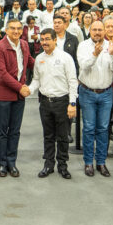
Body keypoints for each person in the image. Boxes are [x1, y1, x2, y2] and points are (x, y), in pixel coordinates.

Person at [28, 28, 78, 179]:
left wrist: (72, 103)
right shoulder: (39, 58)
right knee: (48, 136)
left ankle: (62, 165)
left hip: (62, 102)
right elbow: (36, 79)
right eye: (42, 39)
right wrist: (28, 89)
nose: (44, 42)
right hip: (45, 102)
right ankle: (48, 165)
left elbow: (72, 81)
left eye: (47, 39)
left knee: (62, 136)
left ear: (55, 39)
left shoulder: (65, 58)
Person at [76, 19, 113, 177]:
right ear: (89, 31)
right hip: (87, 92)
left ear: (104, 31)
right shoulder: (83, 46)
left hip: (106, 93)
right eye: (94, 29)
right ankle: (88, 162)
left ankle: (101, 162)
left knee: (103, 129)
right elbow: (84, 66)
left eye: (99, 30)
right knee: (89, 128)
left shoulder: (111, 45)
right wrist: (95, 54)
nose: (97, 32)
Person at [0, 18, 34, 177]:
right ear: (6, 30)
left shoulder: (24, 44)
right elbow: (1, 74)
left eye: (18, 28)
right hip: (3, 95)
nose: (16, 31)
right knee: (2, 131)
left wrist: (45, 65)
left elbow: (30, 62)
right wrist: (20, 87)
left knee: (15, 130)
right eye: (12, 28)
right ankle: (2, 164)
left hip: (18, 96)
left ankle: (12, 162)